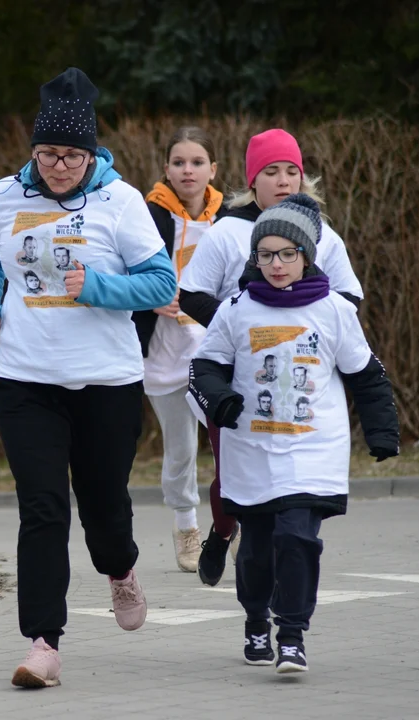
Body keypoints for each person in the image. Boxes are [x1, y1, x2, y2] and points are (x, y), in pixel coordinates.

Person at [0, 67, 178, 689]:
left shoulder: (122, 202)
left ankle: (120, 569)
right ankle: (43, 643)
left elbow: (161, 284)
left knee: (105, 512)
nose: (60, 167)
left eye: (72, 156)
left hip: (106, 383)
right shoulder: (6, 195)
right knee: (42, 510)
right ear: (34, 152)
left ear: (92, 155)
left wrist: (98, 288)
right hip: (25, 378)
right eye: (49, 154)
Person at [188, 193, 399, 674]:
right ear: (254, 258)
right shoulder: (237, 309)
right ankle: (256, 621)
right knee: (259, 548)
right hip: (252, 449)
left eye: (287, 254)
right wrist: (220, 400)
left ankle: (292, 635)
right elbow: (205, 367)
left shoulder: (333, 310)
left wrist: (382, 431)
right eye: (266, 255)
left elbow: (367, 374)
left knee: (298, 538)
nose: (277, 264)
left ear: (306, 255)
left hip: (312, 449)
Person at [178, 128, 365, 587]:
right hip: (236, 375)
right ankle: (222, 533)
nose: (283, 180)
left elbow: (349, 298)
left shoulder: (323, 234)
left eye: (291, 171)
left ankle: (282, 554)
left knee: (291, 479)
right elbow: (189, 294)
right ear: (251, 181)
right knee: (232, 475)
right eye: (271, 171)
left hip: (298, 377)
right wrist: (243, 323)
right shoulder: (228, 231)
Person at [131, 126, 229, 573]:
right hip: (164, 348)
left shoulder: (229, 218)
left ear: (214, 169)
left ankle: (232, 520)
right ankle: (186, 525)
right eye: (178, 162)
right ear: (166, 169)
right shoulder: (146, 214)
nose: (187, 170)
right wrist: (150, 297)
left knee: (231, 440)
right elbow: (121, 272)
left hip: (215, 345)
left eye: (196, 162)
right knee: (181, 447)